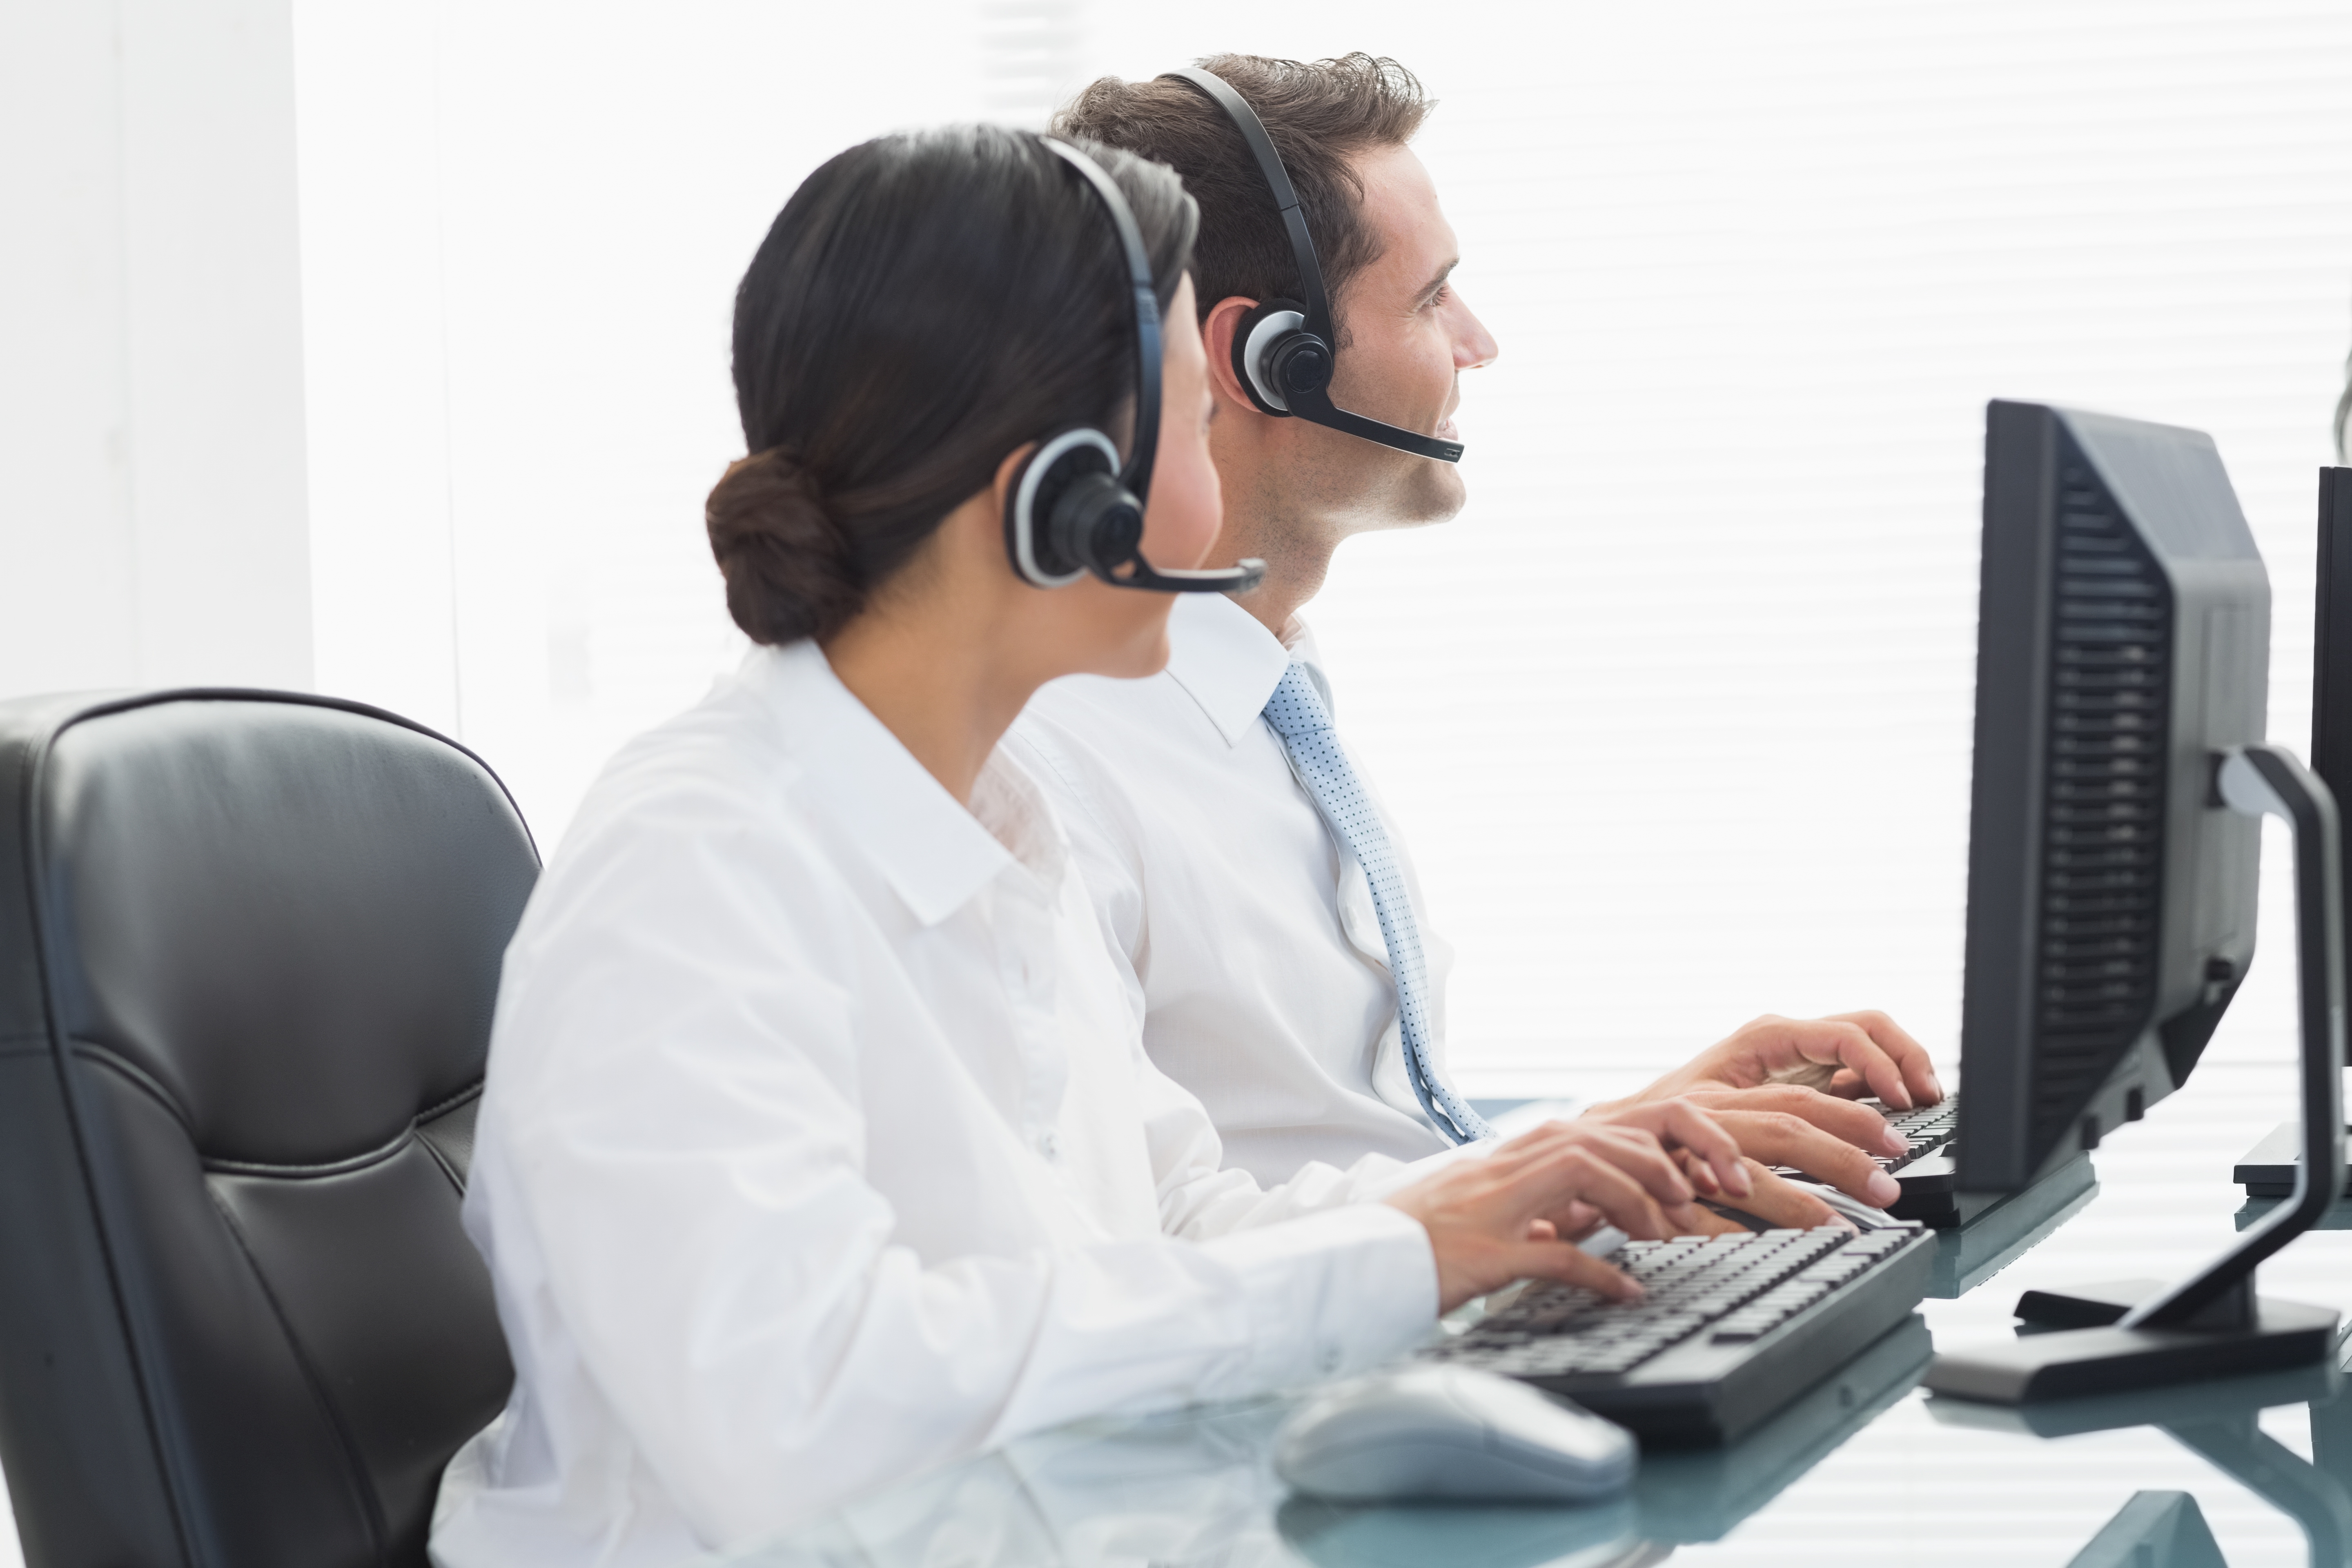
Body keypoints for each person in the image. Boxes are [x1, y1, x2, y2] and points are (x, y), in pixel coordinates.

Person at [429, 126, 1757, 1566]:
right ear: (1064, 496)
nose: (1219, 489)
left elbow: (1171, 1216)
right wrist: (1396, 1256)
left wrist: (1519, 1197)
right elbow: (797, 1409)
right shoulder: (698, 865)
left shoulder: (1000, 819)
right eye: (1195, 425)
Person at [1010, 55, 1944, 1222]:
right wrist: (1569, 1171)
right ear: (1268, 362)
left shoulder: (1263, 692)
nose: (1479, 343)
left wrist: (1642, 1131)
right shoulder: (1039, 762)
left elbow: (1353, 1145)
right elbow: (1146, 1240)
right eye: (1429, 298)